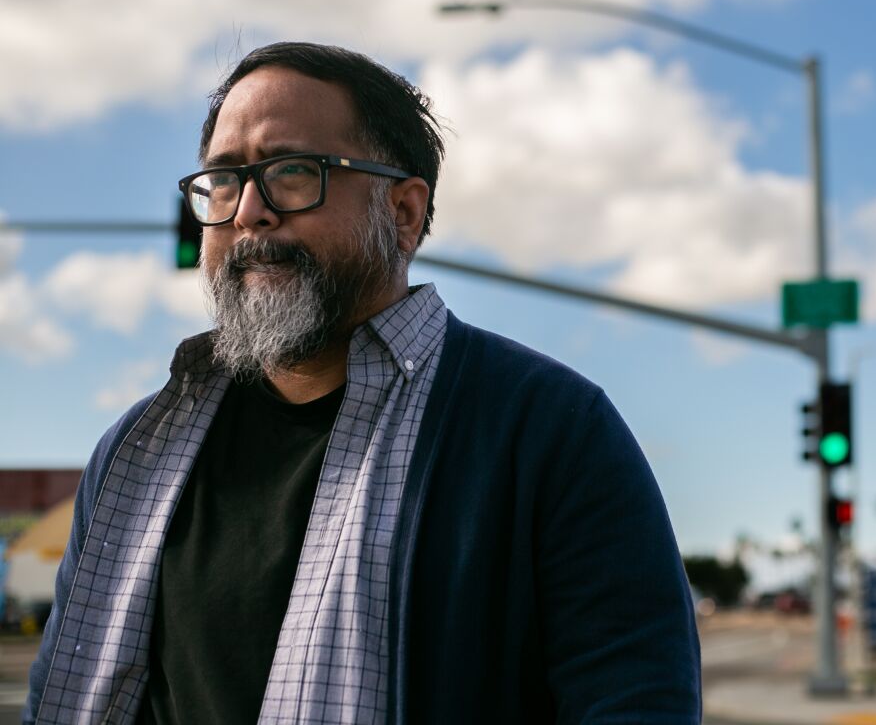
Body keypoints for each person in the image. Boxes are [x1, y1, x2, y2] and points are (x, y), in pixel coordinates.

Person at [25, 42, 701, 724]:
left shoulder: (549, 429)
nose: (248, 212)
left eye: (292, 172)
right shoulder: (138, 452)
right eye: (224, 181)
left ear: (403, 214)